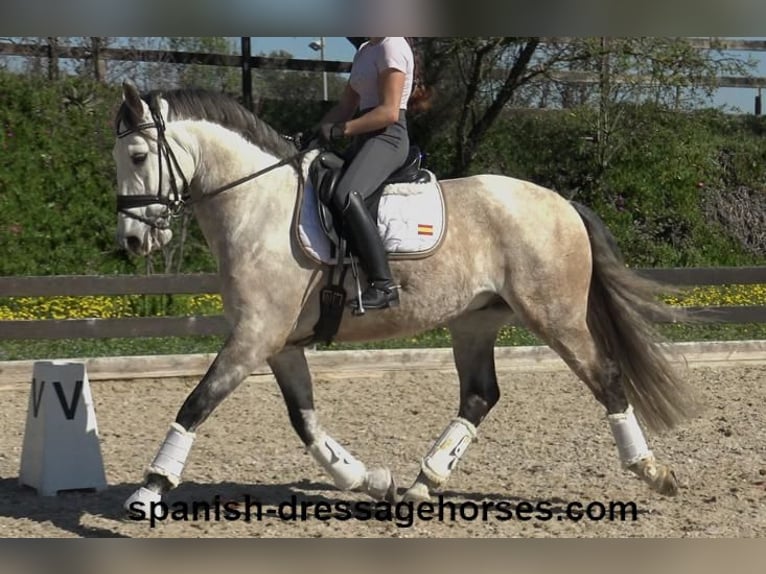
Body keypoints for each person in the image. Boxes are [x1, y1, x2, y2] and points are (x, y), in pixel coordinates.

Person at [312, 37, 416, 312]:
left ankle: (383, 284)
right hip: (363, 138)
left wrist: (341, 130)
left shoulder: (392, 45)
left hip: (388, 138)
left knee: (346, 194)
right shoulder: (365, 51)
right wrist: (315, 133)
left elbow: (389, 112)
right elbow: (345, 107)